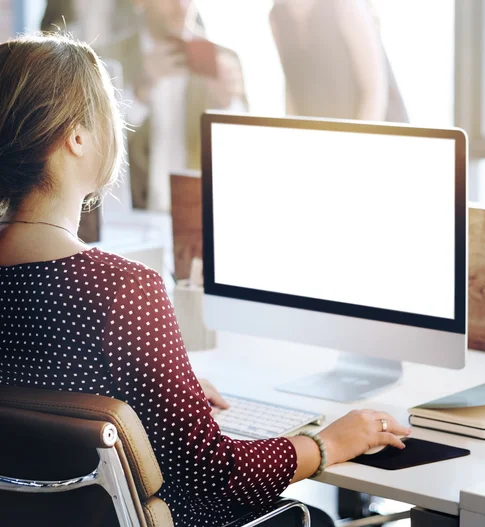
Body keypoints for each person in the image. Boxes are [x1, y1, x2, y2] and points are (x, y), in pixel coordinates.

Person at [0, 34, 411, 527]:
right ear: (78, 137)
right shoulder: (122, 291)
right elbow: (214, 476)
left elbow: (40, 388)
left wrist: (158, 386)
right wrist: (328, 444)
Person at [99, 0, 247, 212]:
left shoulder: (224, 59)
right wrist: (139, 92)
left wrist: (226, 104)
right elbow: (98, 146)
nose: (181, 6)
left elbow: (240, 154)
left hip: (199, 212)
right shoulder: (109, 58)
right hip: (130, 216)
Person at [270, 0, 409, 123]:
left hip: (377, 125)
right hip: (327, 130)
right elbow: (293, 87)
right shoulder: (276, 16)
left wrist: (356, 140)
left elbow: (375, 89)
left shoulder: (346, 4)